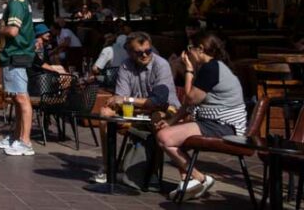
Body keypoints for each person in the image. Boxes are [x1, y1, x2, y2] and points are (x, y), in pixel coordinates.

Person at [156, 31, 247, 202]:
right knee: (170, 134)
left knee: (164, 137)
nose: (188, 52)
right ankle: (188, 181)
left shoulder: (212, 68)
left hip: (224, 125)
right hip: (214, 122)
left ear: (200, 49)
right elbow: (188, 104)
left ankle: (200, 179)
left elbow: (190, 99)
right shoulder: (212, 67)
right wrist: (170, 122)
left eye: (190, 48)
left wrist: (189, 71)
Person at [92, 31, 180, 185]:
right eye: (139, 52)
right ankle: (107, 166)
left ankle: (152, 172)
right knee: (105, 114)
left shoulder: (161, 65)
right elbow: (119, 99)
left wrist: (128, 100)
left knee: (157, 117)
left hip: (165, 110)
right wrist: (124, 102)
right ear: (129, 52)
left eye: (148, 51)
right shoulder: (126, 65)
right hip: (137, 110)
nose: (145, 55)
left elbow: (157, 101)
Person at [0, 0, 36, 157]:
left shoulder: (15, 2)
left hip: (16, 54)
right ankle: (16, 136)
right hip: (16, 54)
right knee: (16, 97)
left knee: (21, 97)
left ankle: (25, 141)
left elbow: (13, 31)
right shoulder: (22, 0)